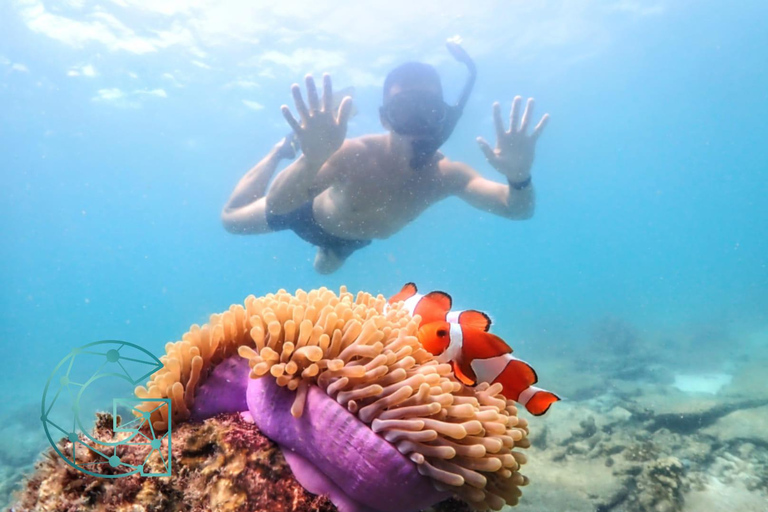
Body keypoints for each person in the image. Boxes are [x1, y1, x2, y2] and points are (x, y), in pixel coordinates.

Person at [221, 43, 548, 274]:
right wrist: (311, 158)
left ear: (444, 116)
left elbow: (517, 210)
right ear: (385, 118)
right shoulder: (353, 153)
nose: (418, 123)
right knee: (231, 221)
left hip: (353, 241)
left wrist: (520, 176)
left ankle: (330, 250)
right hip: (304, 212)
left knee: (324, 270)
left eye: (429, 110)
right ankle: (279, 151)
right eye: (405, 110)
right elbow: (279, 205)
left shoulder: (448, 175)